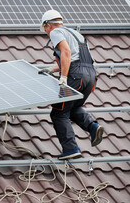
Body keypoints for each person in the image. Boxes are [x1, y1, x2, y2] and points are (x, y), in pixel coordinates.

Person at [38, 9, 104, 160]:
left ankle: (71, 148)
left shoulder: (56, 32)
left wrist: (64, 76)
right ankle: (93, 127)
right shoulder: (76, 34)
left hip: (75, 76)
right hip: (90, 77)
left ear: (48, 25)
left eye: (45, 29)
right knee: (72, 107)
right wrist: (52, 69)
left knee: (58, 113)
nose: (46, 33)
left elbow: (66, 53)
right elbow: (78, 59)